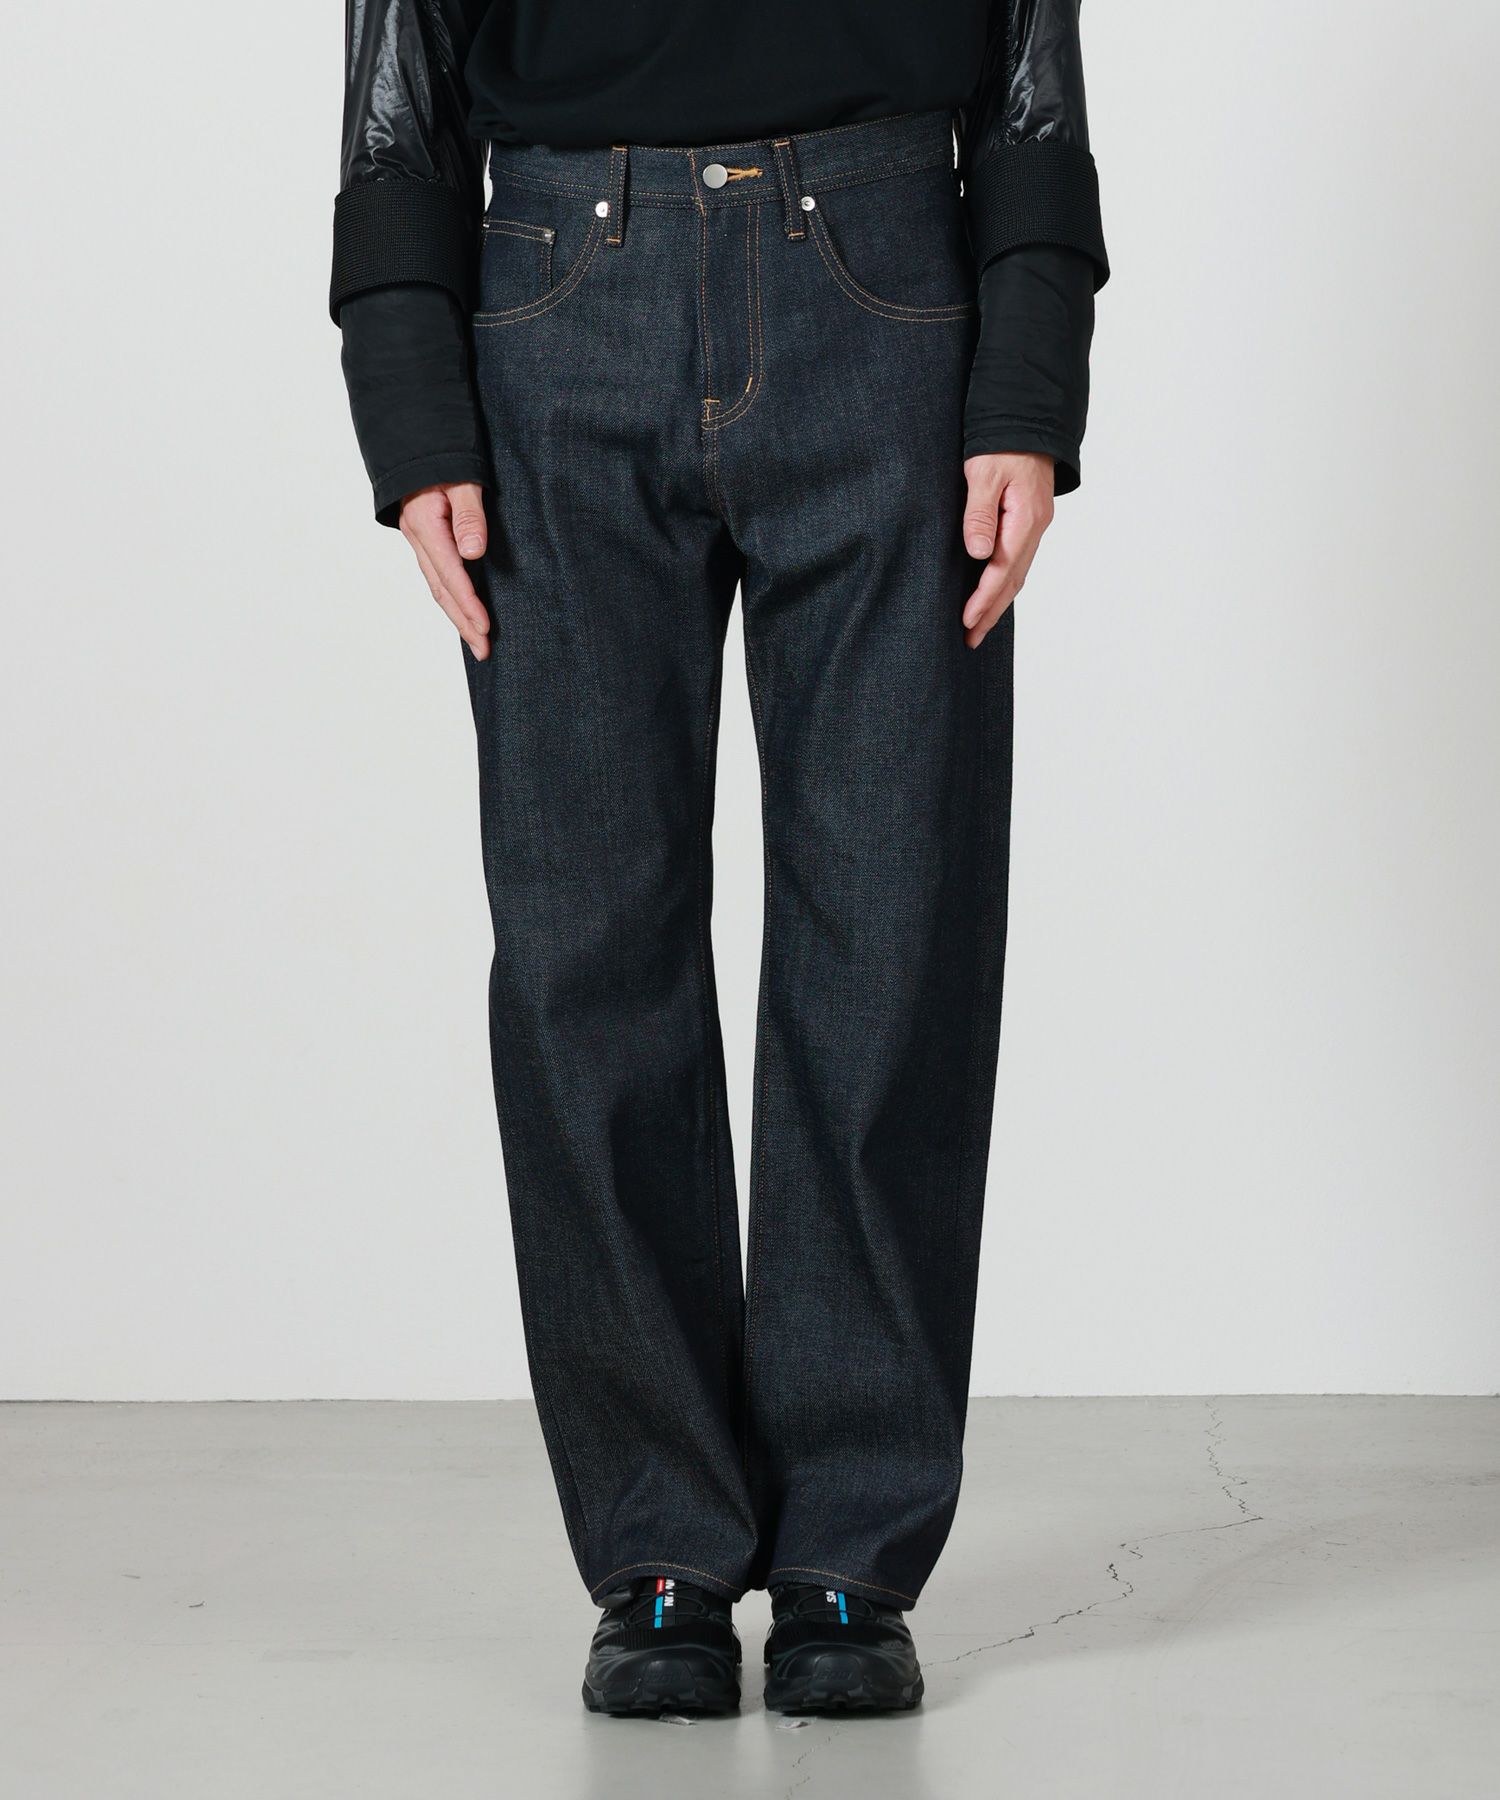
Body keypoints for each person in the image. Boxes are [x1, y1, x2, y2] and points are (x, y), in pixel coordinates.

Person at [330, 0, 1107, 1717]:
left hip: (888, 294)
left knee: (892, 924)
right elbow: (396, 82)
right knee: (582, 946)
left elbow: (1032, 65)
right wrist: (409, 395)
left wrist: (1031, 370)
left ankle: (851, 1546)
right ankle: (659, 1545)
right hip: (558, 303)